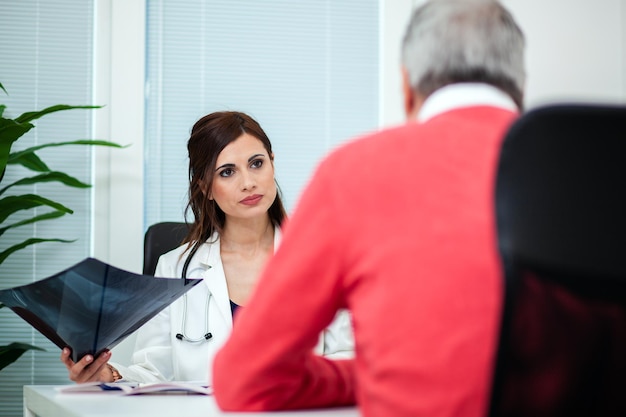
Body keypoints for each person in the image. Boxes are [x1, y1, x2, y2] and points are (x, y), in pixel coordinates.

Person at [212, 1, 526, 416]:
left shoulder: (354, 173)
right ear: (518, 84)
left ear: (406, 86)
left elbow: (245, 380)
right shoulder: (595, 166)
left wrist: (383, 376)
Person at [60, 111, 354, 384]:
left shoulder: (325, 260)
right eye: (227, 172)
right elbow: (152, 373)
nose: (249, 182)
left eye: (256, 163)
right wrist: (106, 374)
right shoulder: (174, 268)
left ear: (272, 163)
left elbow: (349, 358)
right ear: (205, 187)